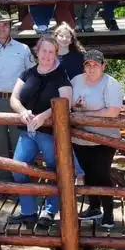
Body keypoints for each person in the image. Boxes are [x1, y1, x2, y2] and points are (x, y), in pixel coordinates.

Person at [8, 36, 73, 227]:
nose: (47, 55)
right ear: (37, 51)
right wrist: (22, 111)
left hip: (51, 133)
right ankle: (29, 211)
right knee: (18, 168)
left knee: (56, 170)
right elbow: (14, 98)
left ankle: (49, 212)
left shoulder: (61, 75)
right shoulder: (27, 73)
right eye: (43, 51)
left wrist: (44, 116)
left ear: (56, 54)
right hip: (28, 131)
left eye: (51, 52)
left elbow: (65, 103)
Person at [71, 50, 124, 227]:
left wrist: (84, 114)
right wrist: (77, 107)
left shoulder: (111, 83)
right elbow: (69, 104)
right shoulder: (76, 80)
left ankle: (108, 212)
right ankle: (94, 208)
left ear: (103, 66)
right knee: (89, 174)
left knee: (101, 174)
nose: (91, 68)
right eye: (88, 64)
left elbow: (113, 111)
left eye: (95, 64)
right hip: (80, 138)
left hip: (105, 139)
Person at [0, 14, 34, 183]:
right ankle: (3, 183)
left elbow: (31, 74)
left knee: (19, 142)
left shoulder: (23, 49)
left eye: (5, 25)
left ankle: (20, 181)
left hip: (17, 102)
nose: (2, 28)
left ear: (10, 27)